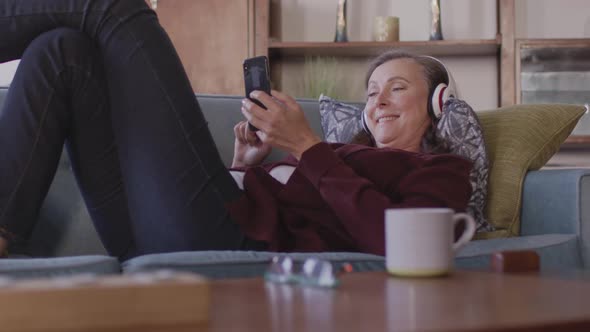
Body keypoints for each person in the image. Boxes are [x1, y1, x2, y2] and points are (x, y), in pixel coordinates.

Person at [0, 0, 472, 260]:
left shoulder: (443, 172)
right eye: (371, 92)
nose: (379, 101)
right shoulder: (337, 153)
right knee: (62, 53)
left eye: (396, 88)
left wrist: (307, 146)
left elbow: (397, 242)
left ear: (435, 102)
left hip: (226, 242)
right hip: (154, 231)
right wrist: (244, 167)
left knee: (118, 9)